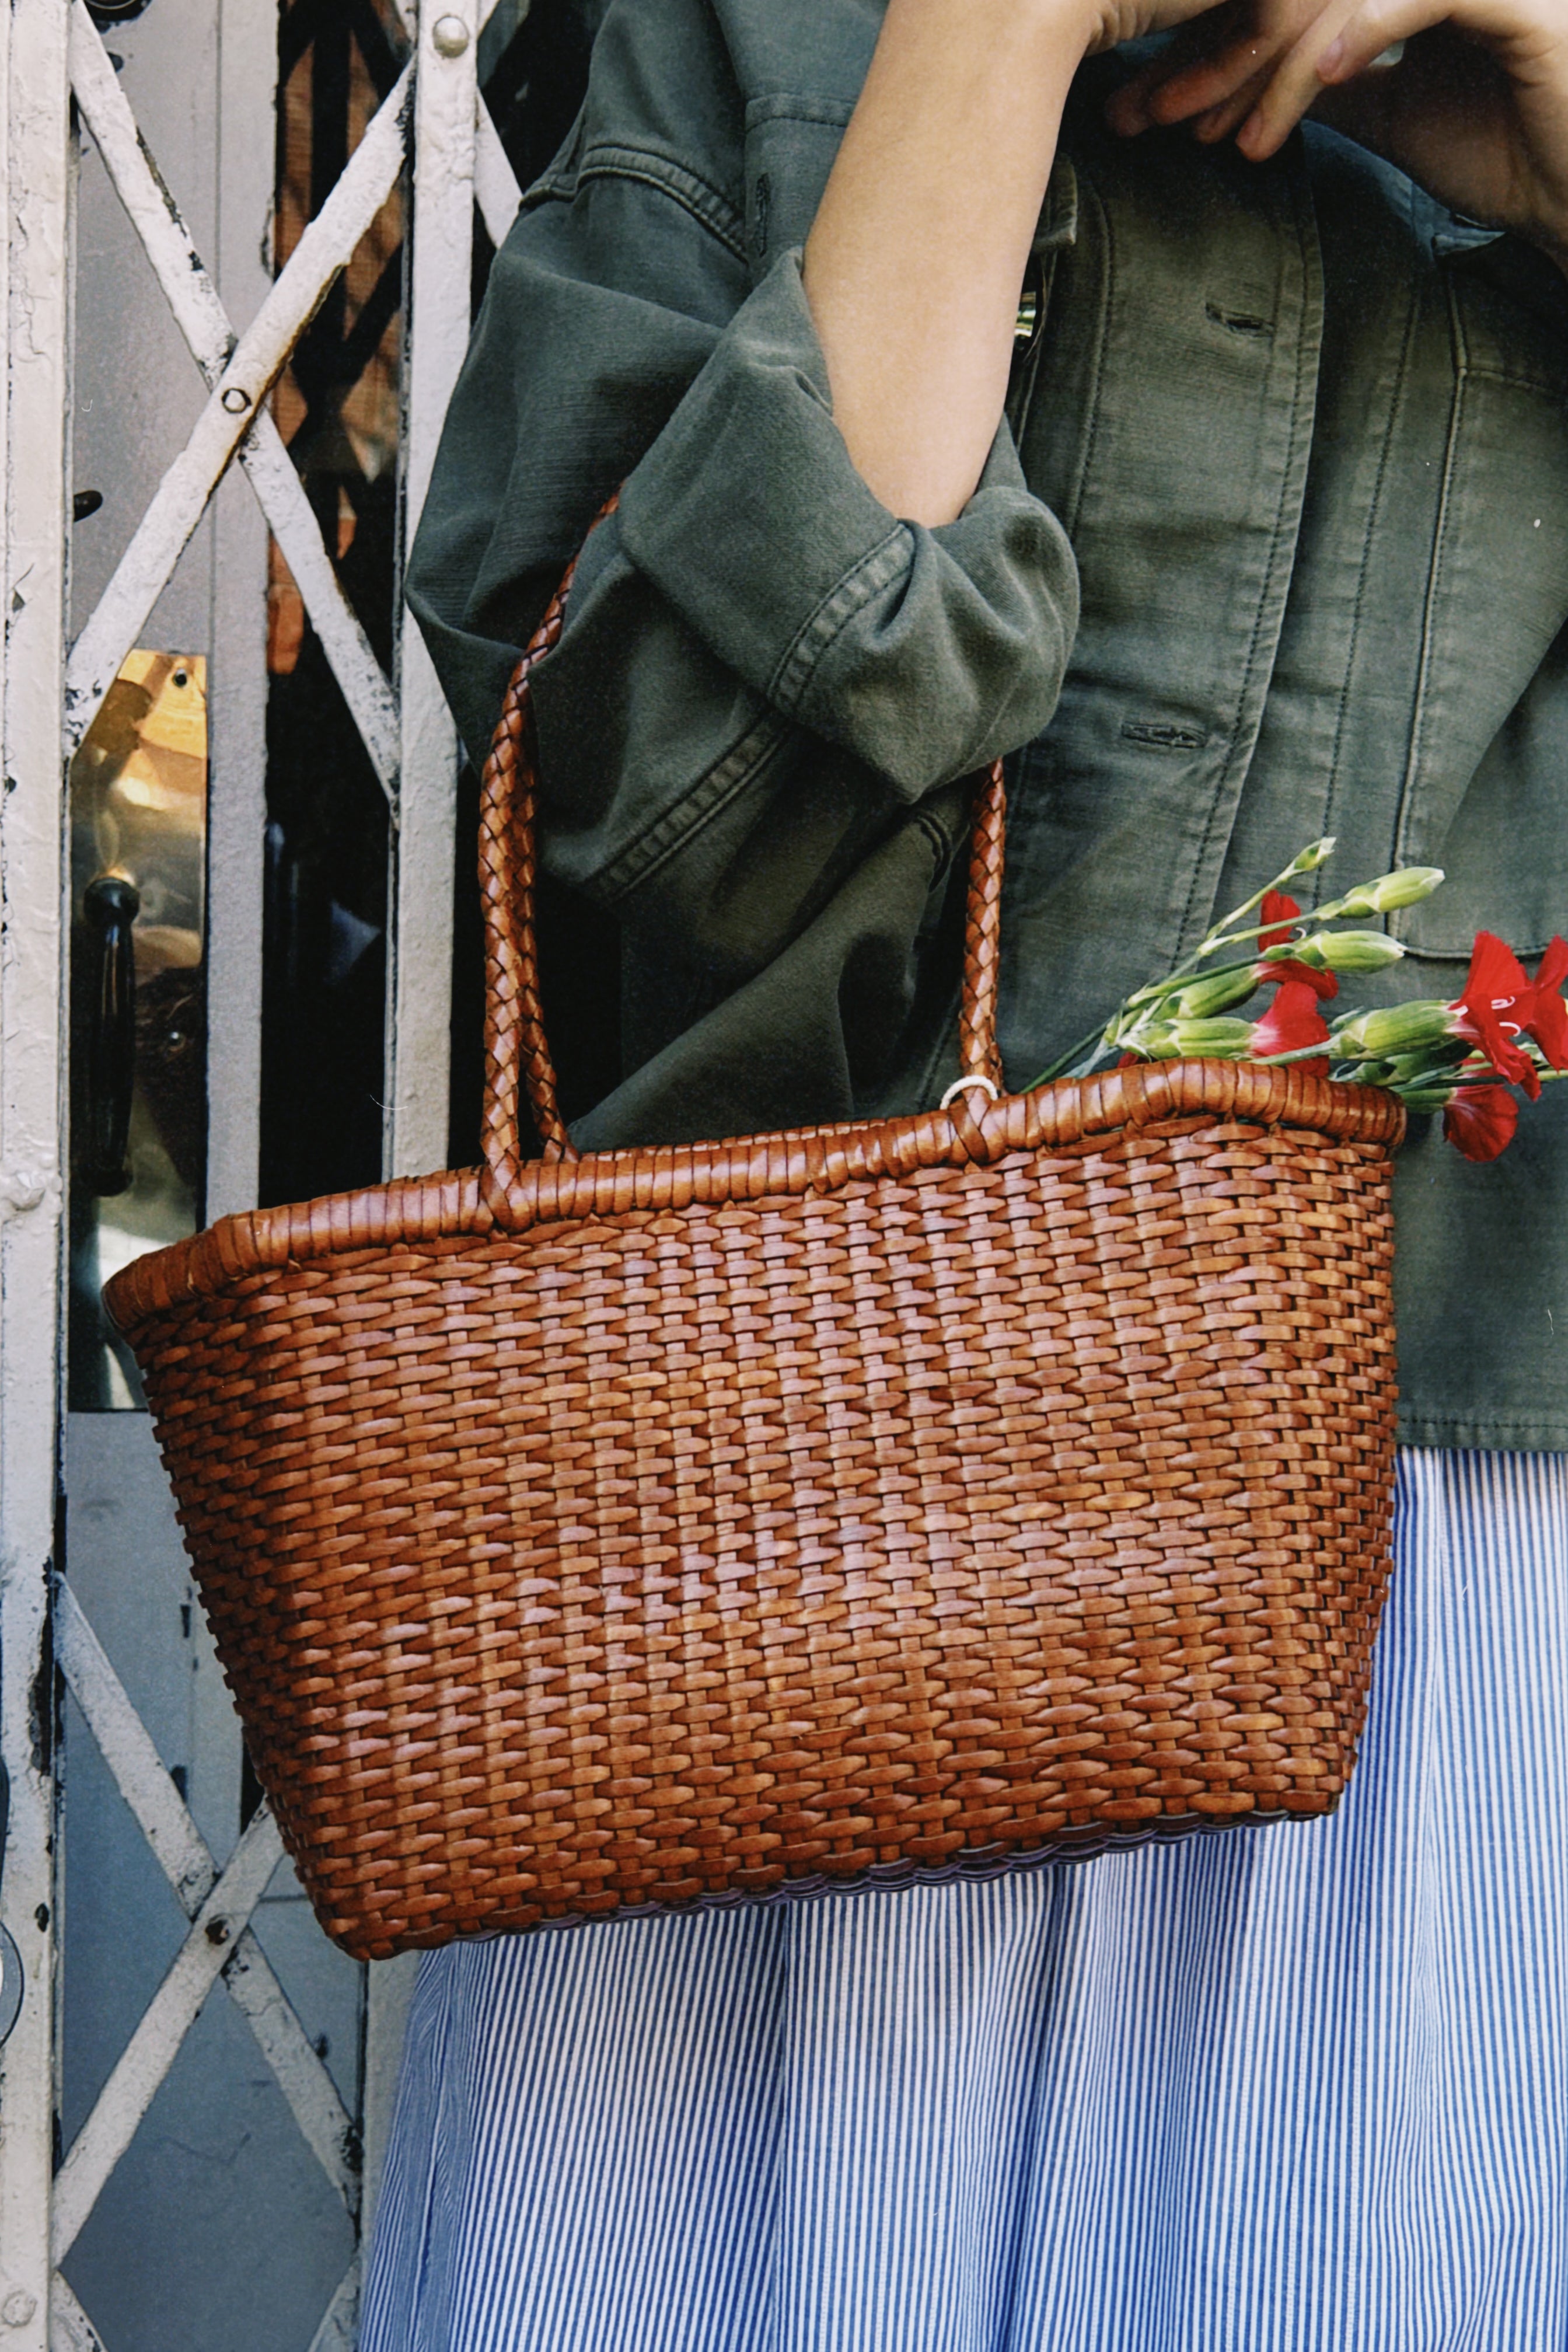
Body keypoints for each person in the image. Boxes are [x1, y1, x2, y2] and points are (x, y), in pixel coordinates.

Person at [362, 0, 1568, 2342]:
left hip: (1442, 1617)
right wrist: (991, 47)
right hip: (779, 1541)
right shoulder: (761, 28)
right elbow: (665, 836)